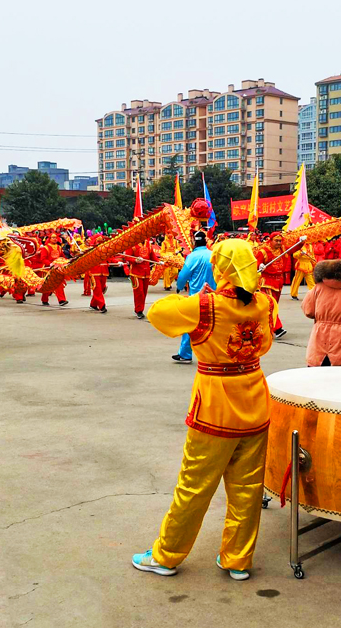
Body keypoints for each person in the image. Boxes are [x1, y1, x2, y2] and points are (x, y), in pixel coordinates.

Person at [132, 238, 277, 581]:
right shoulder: (264, 303)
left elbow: (157, 313)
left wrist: (195, 297)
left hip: (215, 407)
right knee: (248, 487)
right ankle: (238, 560)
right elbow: (266, 345)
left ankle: (167, 555)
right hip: (255, 401)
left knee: (194, 485)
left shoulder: (206, 306)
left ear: (221, 268)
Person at [171, 229, 215, 363]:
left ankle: (185, 354)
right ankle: (215, 355)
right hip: (214, 294)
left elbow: (184, 275)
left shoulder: (192, 257)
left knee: (190, 324)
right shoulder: (213, 254)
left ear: (194, 242)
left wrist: (179, 286)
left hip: (197, 296)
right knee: (214, 325)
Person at [255, 234, 287, 338]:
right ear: (270, 240)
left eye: (280, 241)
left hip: (278, 282)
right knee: (271, 305)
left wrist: (301, 242)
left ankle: (263, 327)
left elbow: (293, 249)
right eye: (276, 241)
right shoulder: (263, 251)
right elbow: (255, 263)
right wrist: (259, 265)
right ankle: (277, 329)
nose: (278, 243)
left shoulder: (283, 250)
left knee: (273, 307)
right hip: (267, 282)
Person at [127, 236, 159, 319]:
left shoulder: (148, 244)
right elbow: (127, 256)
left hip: (146, 272)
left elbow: (152, 255)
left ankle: (140, 309)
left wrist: (158, 262)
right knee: (139, 292)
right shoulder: (132, 244)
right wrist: (135, 260)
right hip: (136, 273)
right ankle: (139, 310)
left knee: (144, 292)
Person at [86, 235, 110, 313]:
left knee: (101, 289)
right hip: (94, 272)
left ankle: (93, 304)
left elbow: (110, 258)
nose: (100, 243)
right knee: (97, 289)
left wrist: (118, 262)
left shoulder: (106, 250)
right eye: (98, 242)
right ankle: (102, 305)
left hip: (104, 271)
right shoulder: (90, 250)